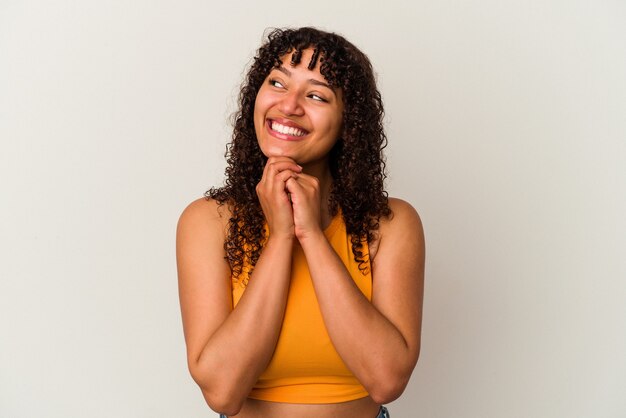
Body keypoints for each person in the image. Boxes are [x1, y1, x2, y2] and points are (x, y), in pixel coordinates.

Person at [176, 27, 425, 418]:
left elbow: (386, 379)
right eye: (277, 82)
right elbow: (223, 392)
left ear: (349, 123)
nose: (288, 105)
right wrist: (280, 238)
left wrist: (311, 234)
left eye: (316, 95)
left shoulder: (391, 224)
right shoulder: (209, 221)